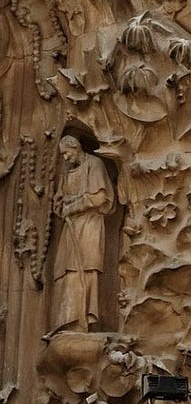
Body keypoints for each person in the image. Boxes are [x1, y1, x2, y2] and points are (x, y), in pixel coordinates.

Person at [52, 135, 114, 332]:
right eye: (62, 155)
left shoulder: (94, 165)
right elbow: (60, 202)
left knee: (86, 267)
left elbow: (100, 197)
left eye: (66, 153)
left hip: (90, 224)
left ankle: (84, 319)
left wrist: (75, 206)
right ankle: (66, 319)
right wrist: (61, 206)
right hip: (71, 227)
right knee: (66, 268)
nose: (65, 158)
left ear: (75, 147)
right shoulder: (67, 174)